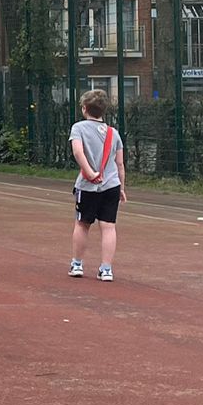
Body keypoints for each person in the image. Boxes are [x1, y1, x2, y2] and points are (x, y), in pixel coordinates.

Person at [69, 88, 124, 281]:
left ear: (84, 108)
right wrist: (122, 188)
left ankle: (77, 264)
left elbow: (78, 152)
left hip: (88, 185)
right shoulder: (113, 133)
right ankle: (106, 269)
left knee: (82, 224)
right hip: (111, 185)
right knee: (108, 226)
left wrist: (90, 173)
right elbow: (120, 164)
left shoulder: (78, 128)